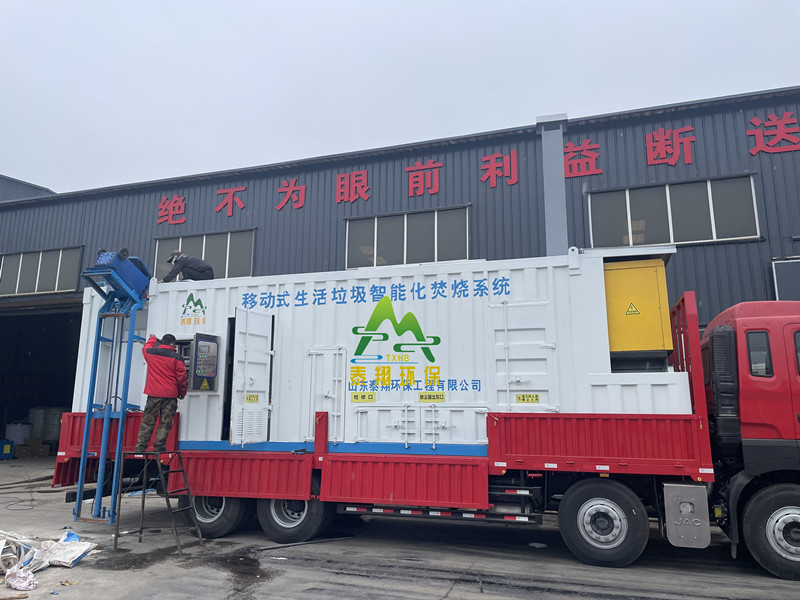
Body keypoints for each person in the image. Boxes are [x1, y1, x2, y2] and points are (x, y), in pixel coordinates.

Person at [135, 334, 188, 453]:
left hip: (154, 393)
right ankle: (159, 446)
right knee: (166, 421)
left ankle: (141, 446)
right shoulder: (177, 358)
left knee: (148, 419)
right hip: (170, 395)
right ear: (172, 344)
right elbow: (182, 378)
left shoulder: (151, 353)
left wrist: (152, 338)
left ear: (162, 342)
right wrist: (182, 393)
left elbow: (146, 347)